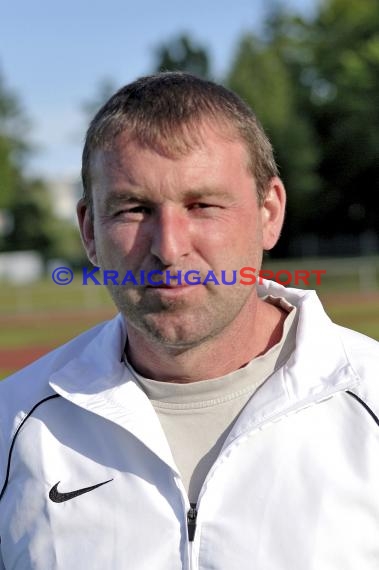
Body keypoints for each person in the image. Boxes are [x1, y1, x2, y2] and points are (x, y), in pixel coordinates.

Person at [1, 72, 379, 570]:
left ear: (269, 212)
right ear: (90, 231)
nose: (169, 247)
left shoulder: (369, 398)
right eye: (134, 209)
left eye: (203, 205)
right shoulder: (13, 425)